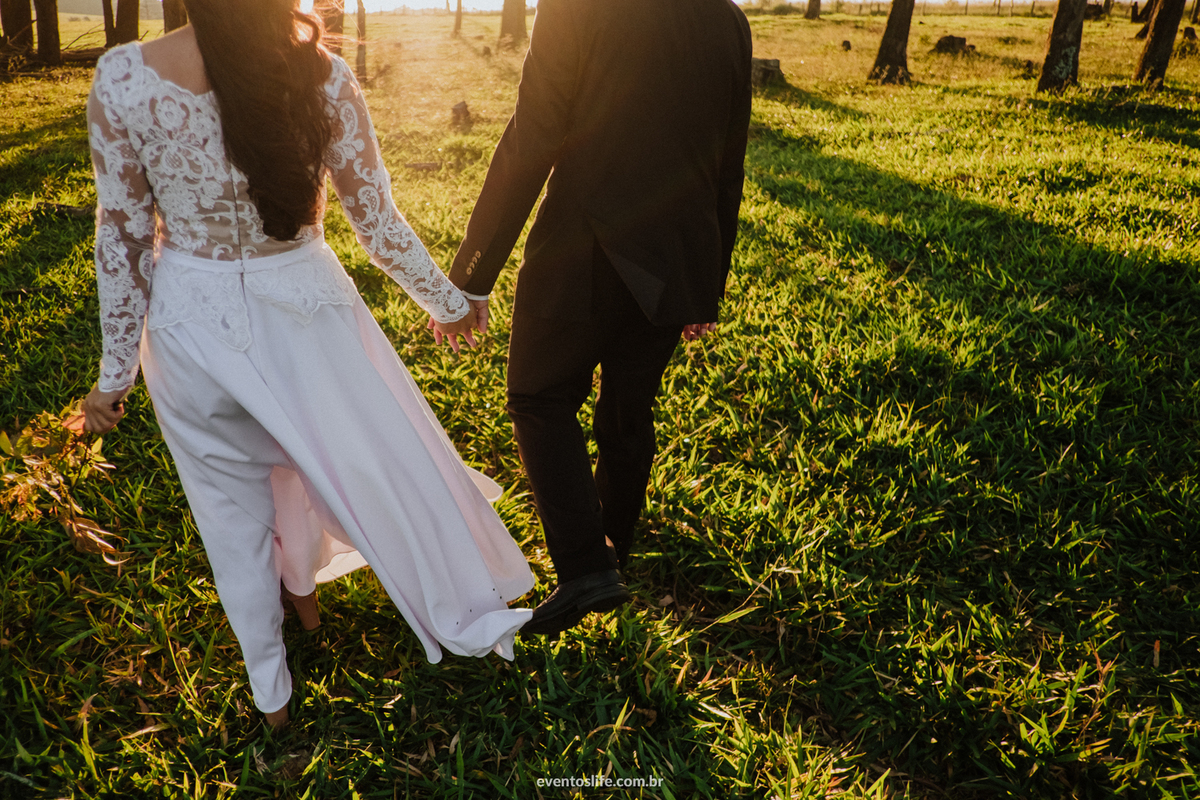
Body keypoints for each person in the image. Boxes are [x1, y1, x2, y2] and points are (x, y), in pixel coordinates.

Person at [71, 0, 533, 728]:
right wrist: (446, 300)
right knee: (352, 464)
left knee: (230, 511)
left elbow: (121, 241)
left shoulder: (124, 77)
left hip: (192, 323)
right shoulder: (323, 73)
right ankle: (366, 600)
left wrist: (113, 376)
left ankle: (272, 693)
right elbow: (374, 220)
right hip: (309, 312)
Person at [441, 0, 753, 635]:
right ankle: (612, 553)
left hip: (581, 250)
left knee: (538, 395)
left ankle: (587, 567)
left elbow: (535, 135)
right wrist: (706, 284)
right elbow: (730, 158)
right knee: (627, 410)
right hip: (677, 255)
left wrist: (472, 275)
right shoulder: (727, 18)